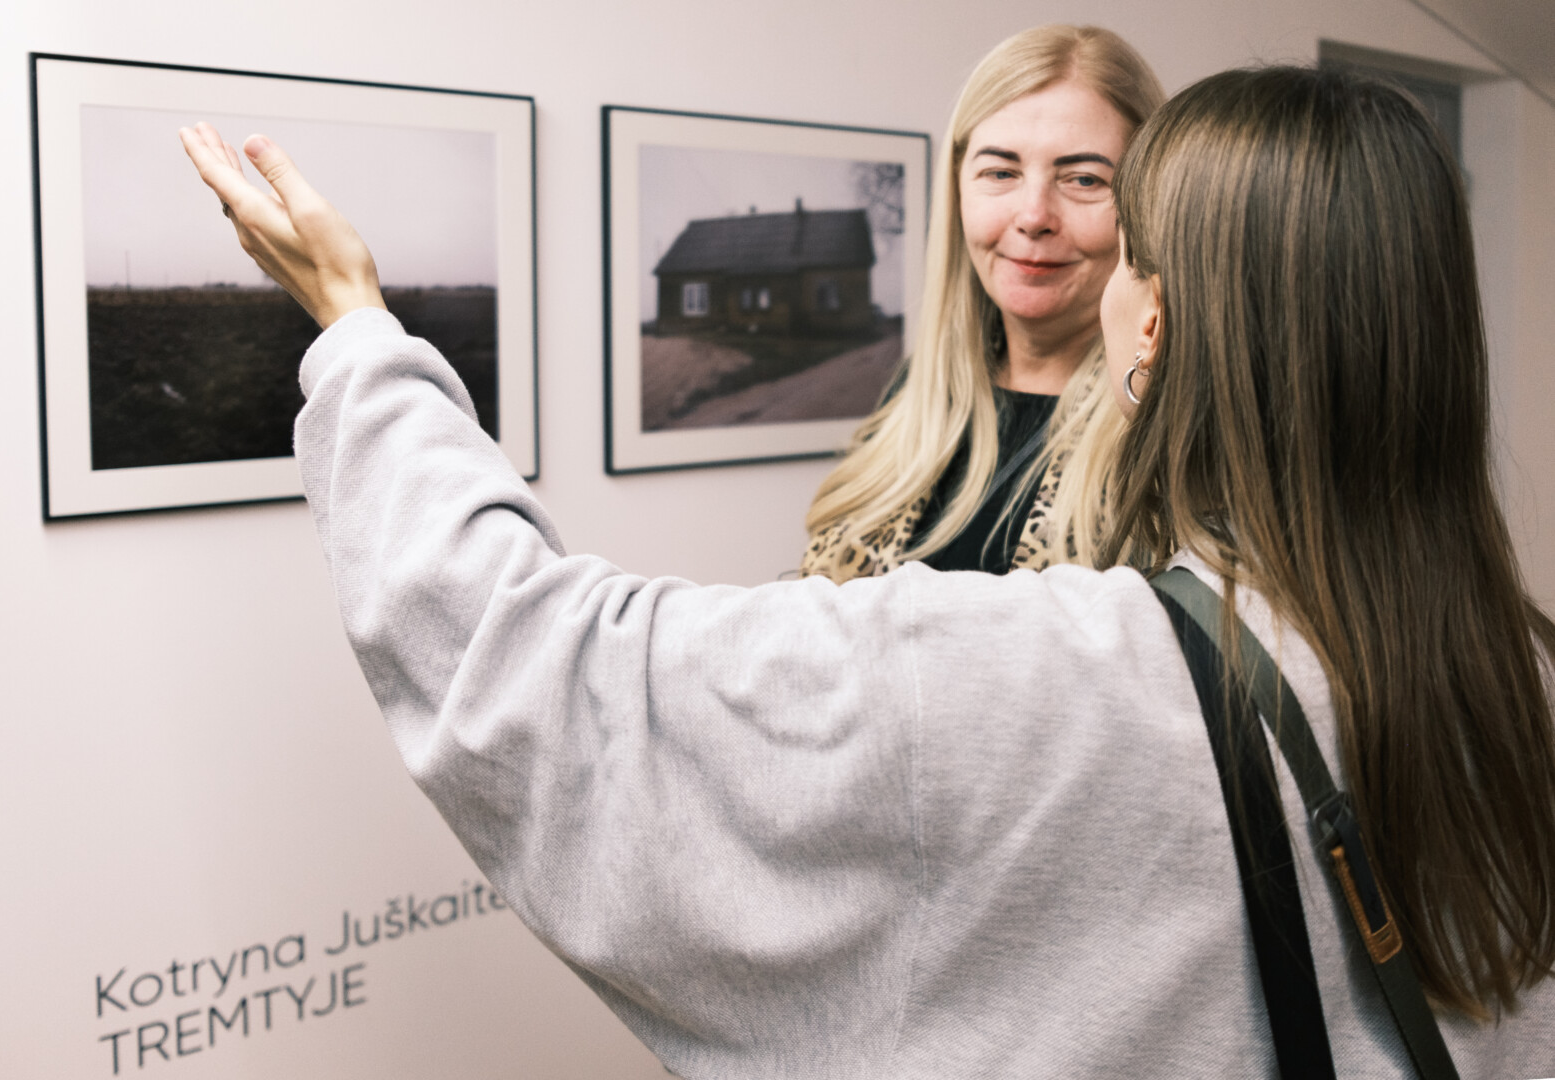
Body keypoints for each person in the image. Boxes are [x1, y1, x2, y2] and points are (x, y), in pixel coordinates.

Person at [179, 63, 1555, 1078]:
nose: (1041, 224)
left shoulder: (1035, 673)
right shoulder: (1517, 670)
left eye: (1111, 220)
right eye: (998, 170)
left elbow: (545, 669)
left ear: (1152, 327)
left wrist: (358, 333)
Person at [800, 26, 1163, 581]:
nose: (1033, 216)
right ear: (959, 188)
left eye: (1085, 179)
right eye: (1000, 172)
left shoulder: (1174, 432)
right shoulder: (915, 394)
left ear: (1150, 200)